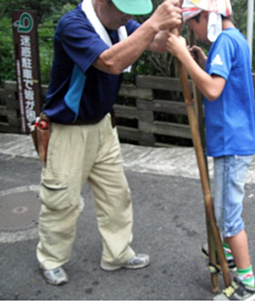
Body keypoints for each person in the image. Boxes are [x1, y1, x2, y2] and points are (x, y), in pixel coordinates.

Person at [36, 0, 182, 286]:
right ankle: (51, 258)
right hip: (68, 129)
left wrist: (171, 23)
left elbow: (156, 41)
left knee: (117, 194)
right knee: (61, 200)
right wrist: (154, 22)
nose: (129, 16)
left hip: (103, 125)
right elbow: (112, 62)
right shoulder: (73, 25)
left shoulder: (121, 23)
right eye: (124, 9)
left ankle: (117, 253)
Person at [167, 0, 255, 299]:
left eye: (193, 23)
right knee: (225, 212)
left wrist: (183, 54)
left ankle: (248, 283)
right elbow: (226, 80)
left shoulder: (223, 40)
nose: (194, 32)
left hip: (230, 143)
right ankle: (228, 255)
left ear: (207, 16)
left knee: (229, 217)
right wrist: (202, 61)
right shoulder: (236, 39)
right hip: (235, 140)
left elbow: (212, 89)